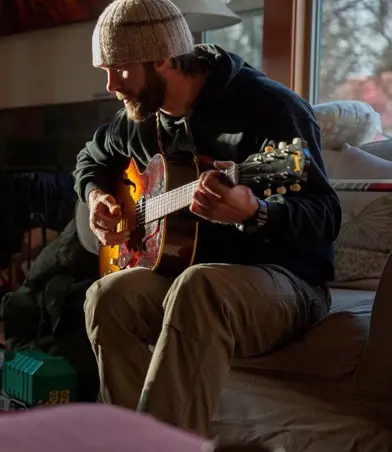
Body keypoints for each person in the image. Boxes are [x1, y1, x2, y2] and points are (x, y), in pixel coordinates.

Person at [74, 0, 342, 438]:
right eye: (105, 70)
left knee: (199, 286)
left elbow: (326, 216)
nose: (110, 85)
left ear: (161, 57)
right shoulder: (142, 116)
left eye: (119, 69)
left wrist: (256, 212)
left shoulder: (270, 107)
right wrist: (98, 195)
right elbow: (91, 158)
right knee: (107, 295)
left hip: (286, 284)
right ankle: (128, 440)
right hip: (189, 274)